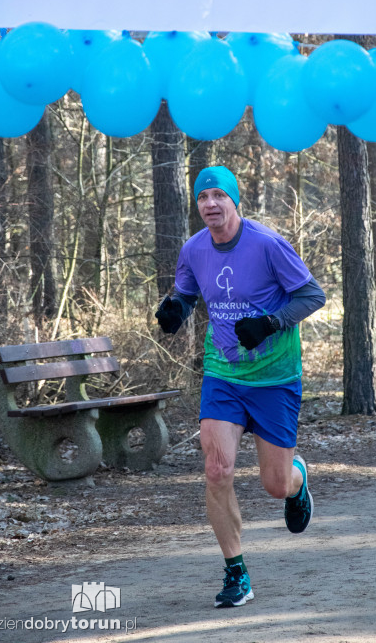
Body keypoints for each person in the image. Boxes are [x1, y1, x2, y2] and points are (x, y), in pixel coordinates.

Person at [155, 165, 326, 608]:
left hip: (275, 377)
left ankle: (297, 479)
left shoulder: (267, 244)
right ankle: (236, 573)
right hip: (224, 373)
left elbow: (313, 296)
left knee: (274, 484)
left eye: (218, 195)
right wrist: (176, 310)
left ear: (234, 200)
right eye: (203, 197)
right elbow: (187, 294)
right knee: (217, 469)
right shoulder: (194, 249)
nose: (210, 204)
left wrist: (271, 322)